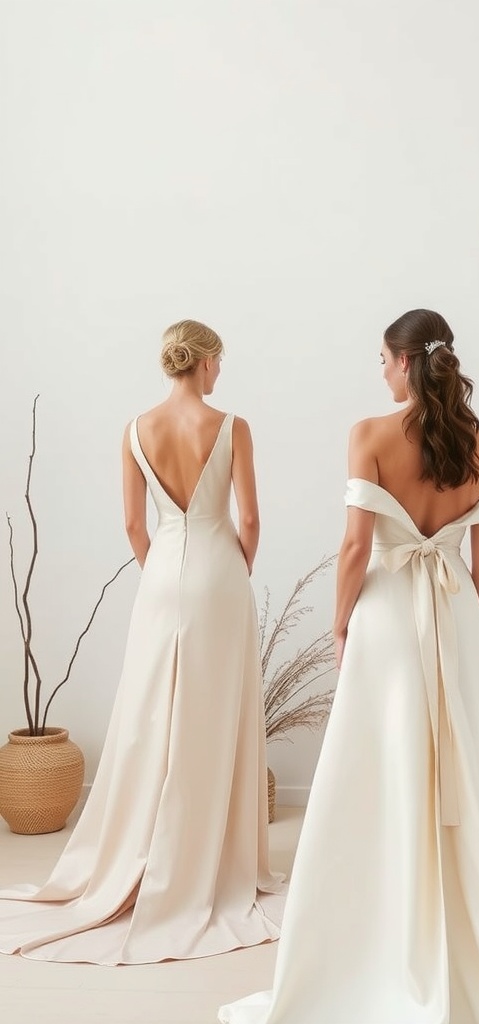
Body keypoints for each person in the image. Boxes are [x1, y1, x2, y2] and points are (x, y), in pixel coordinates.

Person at [219, 309, 479, 1024]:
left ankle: (380, 944)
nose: (380, 372)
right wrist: (459, 632)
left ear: (407, 363)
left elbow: (355, 549)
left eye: (383, 359)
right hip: (453, 620)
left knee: (376, 769)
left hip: (383, 619)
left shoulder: (369, 436)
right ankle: (474, 935)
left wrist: (340, 620)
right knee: (468, 775)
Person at [0, 320, 284, 965]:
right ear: (206, 361)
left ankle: (145, 849)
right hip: (219, 569)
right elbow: (252, 518)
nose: (221, 372)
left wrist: (158, 570)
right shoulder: (233, 426)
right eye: (221, 361)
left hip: (160, 574)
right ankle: (210, 856)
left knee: (152, 713)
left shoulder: (133, 430)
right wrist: (236, 567)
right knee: (213, 714)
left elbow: (134, 522)